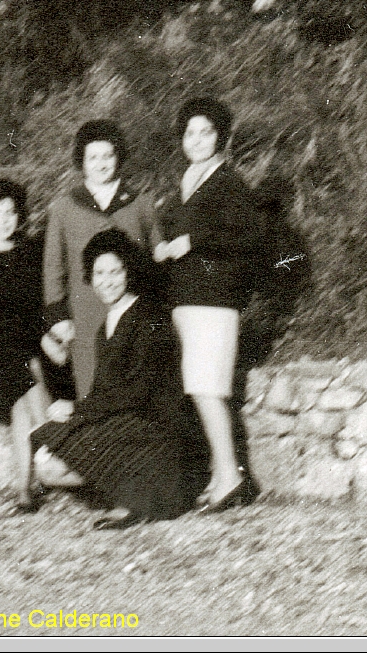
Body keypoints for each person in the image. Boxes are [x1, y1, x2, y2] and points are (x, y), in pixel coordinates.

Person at [30, 229, 209, 530]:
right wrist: (77, 412)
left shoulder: (149, 317)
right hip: (127, 420)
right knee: (46, 460)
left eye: (116, 271)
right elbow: (106, 391)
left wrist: (76, 410)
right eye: (99, 273)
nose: (107, 281)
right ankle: (125, 490)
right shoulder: (107, 325)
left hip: (155, 431)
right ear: (90, 276)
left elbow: (139, 392)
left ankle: (139, 498)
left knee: (55, 460)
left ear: (129, 271)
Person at [154, 97, 266, 514]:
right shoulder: (189, 180)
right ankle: (223, 476)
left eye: (206, 132)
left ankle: (232, 479)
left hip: (215, 302)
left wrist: (194, 242)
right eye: (189, 133)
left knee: (207, 390)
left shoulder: (229, 182)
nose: (197, 140)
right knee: (201, 389)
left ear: (220, 137)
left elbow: (252, 239)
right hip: (187, 300)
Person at [0, 178, 73, 514]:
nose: (4, 219)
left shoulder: (33, 251)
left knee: (21, 401)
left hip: (29, 342)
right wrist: (41, 339)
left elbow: (41, 303)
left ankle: (23, 490)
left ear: (20, 214)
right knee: (29, 368)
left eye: (10, 212)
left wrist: (47, 336)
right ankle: (62, 449)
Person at [43, 120, 162, 402]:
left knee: (137, 392)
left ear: (118, 157)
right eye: (92, 157)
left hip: (136, 318)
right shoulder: (64, 207)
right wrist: (58, 318)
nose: (101, 164)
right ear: (81, 162)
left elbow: (158, 261)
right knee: (91, 392)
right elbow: (53, 269)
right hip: (85, 318)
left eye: (107, 155)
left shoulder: (141, 204)